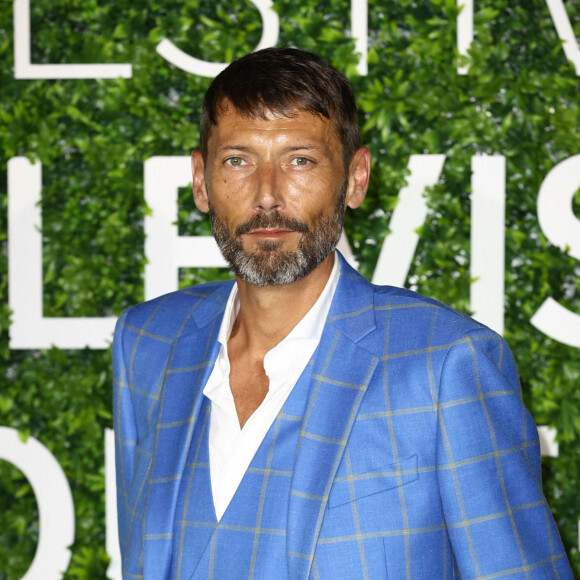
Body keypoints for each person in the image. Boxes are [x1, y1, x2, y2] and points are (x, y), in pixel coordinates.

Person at [113, 47, 572, 579]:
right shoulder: (147, 344)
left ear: (355, 178)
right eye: (238, 159)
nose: (267, 196)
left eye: (300, 160)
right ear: (201, 180)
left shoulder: (447, 364)